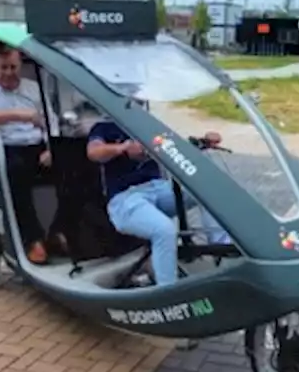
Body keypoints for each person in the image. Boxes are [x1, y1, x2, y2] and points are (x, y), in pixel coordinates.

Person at [87, 111, 231, 289]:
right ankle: (168, 290)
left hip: (158, 188)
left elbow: (175, 146)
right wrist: (122, 148)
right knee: (164, 230)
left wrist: (203, 141)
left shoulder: (149, 126)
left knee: (208, 190)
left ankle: (222, 250)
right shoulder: (104, 128)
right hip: (126, 198)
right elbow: (93, 152)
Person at [0, 46, 70, 265]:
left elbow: (50, 122)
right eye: (3, 67)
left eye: (13, 67)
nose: (9, 73)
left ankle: (61, 230)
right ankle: (33, 240)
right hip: (8, 148)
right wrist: (19, 115)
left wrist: (52, 149)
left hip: (38, 146)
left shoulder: (33, 88)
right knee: (17, 174)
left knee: (76, 167)